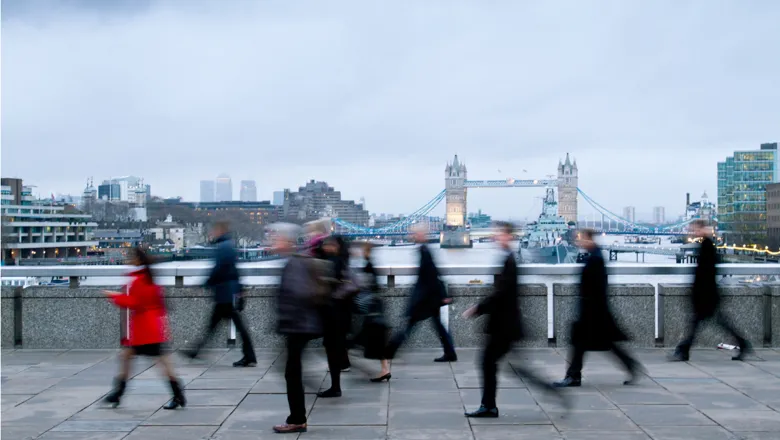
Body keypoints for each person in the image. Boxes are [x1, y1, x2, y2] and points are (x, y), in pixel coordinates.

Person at [463, 222, 562, 417]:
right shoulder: (507, 258)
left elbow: (502, 294)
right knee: (511, 367)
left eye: (500, 233)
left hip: (504, 326)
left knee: (489, 363)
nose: (496, 236)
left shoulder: (510, 261)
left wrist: (478, 308)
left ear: (509, 236)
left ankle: (489, 406)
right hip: (505, 324)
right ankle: (490, 405)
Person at [554, 229, 641, 388]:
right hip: (594, 310)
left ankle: (573, 376)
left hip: (593, 311)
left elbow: (597, 287)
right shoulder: (595, 256)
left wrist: (589, 308)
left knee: (581, 344)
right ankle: (630, 365)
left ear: (589, 239)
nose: (579, 242)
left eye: (581, 239)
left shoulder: (595, 259)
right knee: (603, 344)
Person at [102, 247, 185, 410]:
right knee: (142, 359)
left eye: (131, 257)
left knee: (154, 361)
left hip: (146, 330)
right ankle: (118, 393)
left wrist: (113, 296)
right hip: (150, 328)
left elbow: (135, 302)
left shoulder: (140, 280)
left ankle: (119, 393)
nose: (128, 260)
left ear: (138, 260)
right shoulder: (148, 278)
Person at [270, 223, 325, 434]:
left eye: (276, 238)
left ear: (287, 241)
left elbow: (299, 295)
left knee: (291, 372)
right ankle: (298, 417)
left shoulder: (294, 264)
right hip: (299, 325)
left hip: (298, 326)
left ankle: (297, 419)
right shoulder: (295, 261)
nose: (273, 241)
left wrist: (286, 320)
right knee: (292, 370)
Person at [670, 220, 751, 361]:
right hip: (708, 294)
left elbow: (705, 272)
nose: (693, 232)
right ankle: (743, 344)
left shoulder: (707, 245)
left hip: (706, 295)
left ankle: (683, 351)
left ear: (702, 229)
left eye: (695, 229)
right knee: (712, 324)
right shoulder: (706, 244)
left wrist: (697, 291)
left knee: (698, 324)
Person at [183, 221, 257, 367]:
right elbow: (235, 271)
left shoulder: (223, 247)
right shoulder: (229, 246)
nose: (212, 233)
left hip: (224, 293)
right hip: (229, 292)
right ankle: (196, 351)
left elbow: (218, 269)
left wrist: (203, 284)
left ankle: (196, 351)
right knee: (220, 325)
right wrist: (240, 290)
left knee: (219, 325)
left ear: (220, 231)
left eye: (214, 230)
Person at [385, 224, 457, 363]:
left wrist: (439, 296)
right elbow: (433, 274)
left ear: (421, 235)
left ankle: (390, 351)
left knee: (409, 325)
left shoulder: (424, 251)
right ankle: (450, 353)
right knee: (436, 326)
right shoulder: (424, 249)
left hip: (425, 299)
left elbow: (431, 275)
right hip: (429, 298)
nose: (414, 236)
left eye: (416, 234)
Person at [318, 235, 359, 398]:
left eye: (329, 245)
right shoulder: (341, 260)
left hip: (335, 312)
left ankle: (335, 386)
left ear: (337, 247)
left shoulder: (336, 262)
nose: (326, 247)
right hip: (340, 312)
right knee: (335, 347)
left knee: (332, 347)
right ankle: (336, 384)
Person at [353, 242, 391, 382]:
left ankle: (342, 364)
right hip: (375, 309)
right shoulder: (371, 264)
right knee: (377, 341)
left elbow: (364, 285)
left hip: (370, 310)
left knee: (358, 341)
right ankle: (384, 369)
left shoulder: (368, 265)